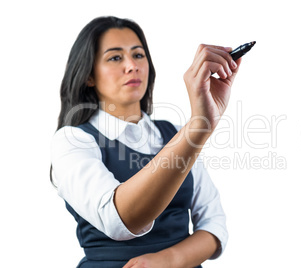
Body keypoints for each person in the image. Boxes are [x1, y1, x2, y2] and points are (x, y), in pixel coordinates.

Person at [50, 16, 241, 268]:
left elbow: (215, 226)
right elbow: (120, 220)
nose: (131, 65)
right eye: (115, 57)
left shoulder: (174, 133)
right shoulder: (72, 140)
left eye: (138, 55)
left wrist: (167, 260)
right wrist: (198, 125)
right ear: (89, 75)